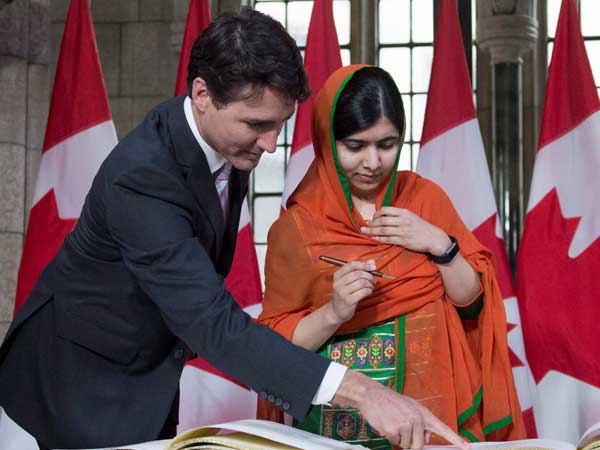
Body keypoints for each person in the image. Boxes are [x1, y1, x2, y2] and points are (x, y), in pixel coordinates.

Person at [0, 10, 468, 450]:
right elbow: (213, 323)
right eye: (257, 125)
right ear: (202, 95)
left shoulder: (227, 141)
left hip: (150, 367)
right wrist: (361, 392)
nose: (270, 144)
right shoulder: (143, 177)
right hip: (83, 377)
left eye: (280, 125)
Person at [257, 65, 526, 449]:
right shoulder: (295, 230)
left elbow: (472, 305)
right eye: (355, 146)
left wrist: (441, 245)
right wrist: (334, 312)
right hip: (339, 425)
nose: (373, 162)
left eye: (387, 144)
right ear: (327, 142)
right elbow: (273, 347)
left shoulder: (424, 199)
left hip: (436, 410)